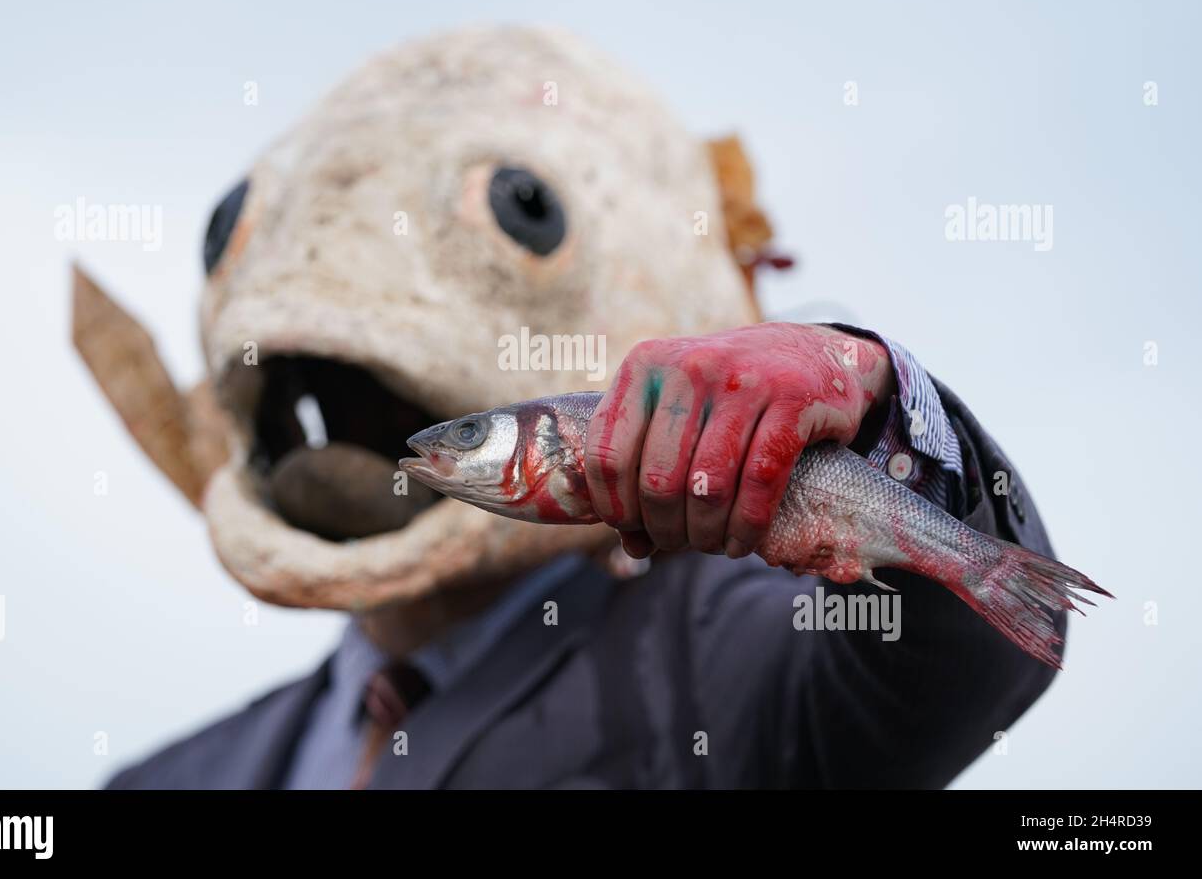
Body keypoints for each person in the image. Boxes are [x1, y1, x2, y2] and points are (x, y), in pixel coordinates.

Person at [107, 320, 1059, 789]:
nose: (367, 429)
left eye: (405, 399)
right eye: (320, 403)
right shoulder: (160, 780)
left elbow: (969, 669)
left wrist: (889, 398)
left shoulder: (718, 646)